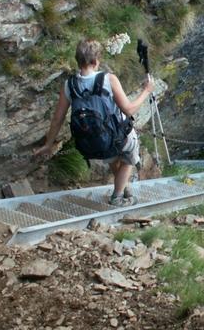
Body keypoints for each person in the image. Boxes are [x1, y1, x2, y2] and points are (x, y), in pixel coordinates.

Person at [34, 39, 154, 206]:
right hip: (116, 136)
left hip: (92, 142)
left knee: (112, 155)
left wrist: (48, 144)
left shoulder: (69, 85)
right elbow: (129, 109)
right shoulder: (108, 79)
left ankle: (123, 187)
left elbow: (57, 118)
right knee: (129, 156)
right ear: (96, 60)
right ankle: (117, 197)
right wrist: (146, 91)